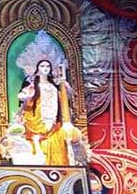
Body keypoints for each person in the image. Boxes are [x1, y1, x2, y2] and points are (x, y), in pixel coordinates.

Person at [10, 30, 85, 166]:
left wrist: (63, 84)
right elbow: (23, 99)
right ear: (37, 68)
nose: (45, 68)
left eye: (48, 66)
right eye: (42, 66)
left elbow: (65, 99)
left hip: (53, 124)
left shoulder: (55, 85)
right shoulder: (32, 85)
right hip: (36, 122)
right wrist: (26, 97)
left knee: (60, 145)